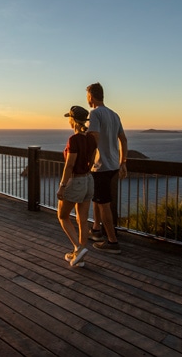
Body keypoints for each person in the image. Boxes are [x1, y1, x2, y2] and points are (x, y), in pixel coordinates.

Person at [86, 82, 128, 254]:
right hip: (112, 165)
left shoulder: (95, 113)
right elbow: (123, 139)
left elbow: (94, 138)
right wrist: (123, 162)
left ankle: (112, 242)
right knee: (98, 198)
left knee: (103, 204)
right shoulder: (114, 114)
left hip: (100, 165)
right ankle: (96, 230)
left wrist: (88, 161)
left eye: (87, 96)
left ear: (91, 96)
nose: (87, 99)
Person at [57, 106, 97, 267]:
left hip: (76, 181)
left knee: (62, 216)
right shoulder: (91, 139)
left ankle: (78, 248)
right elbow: (92, 161)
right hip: (89, 180)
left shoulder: (74, 140)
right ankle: (79, 257)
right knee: (82, 220)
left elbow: (69, 165)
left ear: (72, 120)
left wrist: (62, 186)